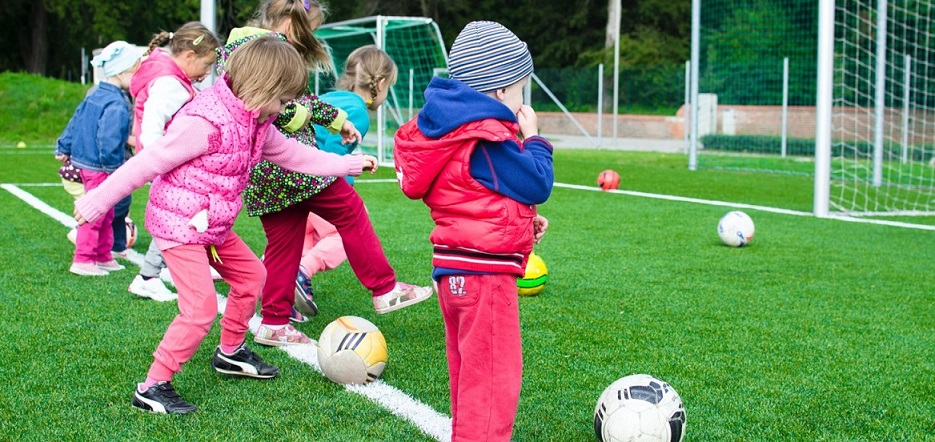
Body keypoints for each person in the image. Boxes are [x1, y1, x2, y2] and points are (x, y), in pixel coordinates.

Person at [72, 36, 378, 415]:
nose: (286, 109)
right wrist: (97, 201)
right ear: (261, 88)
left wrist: (347, 164)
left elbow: (292, 154)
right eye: (283, 101)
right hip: (179, 226)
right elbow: (147, 163)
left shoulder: (256, 120)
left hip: (212, 226)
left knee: (253, 277)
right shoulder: (204, 123)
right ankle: (152, 386)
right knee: (200, 308)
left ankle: (230, 352)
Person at [217, 0, 431, 348]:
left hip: (263, 171)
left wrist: (337, 120)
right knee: (350, 210)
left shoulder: (237, 47)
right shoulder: (270, 50)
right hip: (292, 165)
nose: (308, 38)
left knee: (284, 245)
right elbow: (280, 107)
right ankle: (385, 288)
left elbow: (297, 99)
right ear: (290, 23)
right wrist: (317, 120)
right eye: (309, 30)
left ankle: (273, 322)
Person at [393, 21, 554, 441]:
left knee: (470, 376)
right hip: (486, 277)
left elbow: (471, 196)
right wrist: (535, 138)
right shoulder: (485, 138)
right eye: (520, 88)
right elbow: (537, 182)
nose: (521, 99)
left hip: (455, 272)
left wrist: (521, 221)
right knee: (494, 381)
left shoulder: (449, 131)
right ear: (499, 90)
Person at [294, 45, 399, 317]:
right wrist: (349, 174)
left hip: (291, 181)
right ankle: (302, 272)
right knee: (345, 232)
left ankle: (274, 277)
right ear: (381, 83)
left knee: (300, 239)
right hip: (315, 183)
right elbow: (331, 154)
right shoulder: (359, 113)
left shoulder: (331, 97)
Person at [125, 21, 221, 301]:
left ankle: (161, 271)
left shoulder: (173, 78)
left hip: (170, 162)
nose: (206, 74)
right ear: (189, 57)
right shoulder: (170, 84)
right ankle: (148, 276)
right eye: (206, 65)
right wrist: (161, 161)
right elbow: (152, 127)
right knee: (179, 217)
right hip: (168, 164)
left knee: (189, 214)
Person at [55, 40, 143, 276]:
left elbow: (75, 119)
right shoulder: (116, 102)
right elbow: (109, 138)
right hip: (101, 166)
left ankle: (103, 256)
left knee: (107, 212)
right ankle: (83, 259)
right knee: (95, 212)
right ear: (123, 72)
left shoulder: (96, 93)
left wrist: (63, 145)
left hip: (89, 163)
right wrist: (114, 168)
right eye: (136, 71)